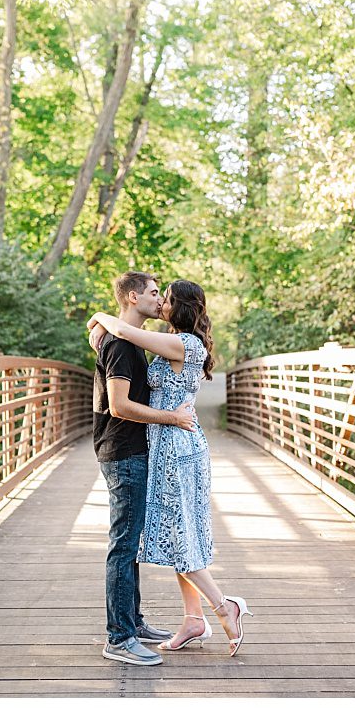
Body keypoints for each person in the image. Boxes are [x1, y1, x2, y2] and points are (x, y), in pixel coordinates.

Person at [89, 279, 253, 657]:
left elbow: (122, 330)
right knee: (176, 535)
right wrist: (101, 328)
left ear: (179, 307)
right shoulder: (160, 342)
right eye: (155, 294)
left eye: (165, 298)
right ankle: (192, 618)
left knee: (182, 536)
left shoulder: (185, 344)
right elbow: (119, 345)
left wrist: (99, 315)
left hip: (178, 446)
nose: (160, 302)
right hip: (159, 445)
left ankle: (223, 606)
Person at [93, 271, 191, 666]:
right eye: (153, 293)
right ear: (133, 298)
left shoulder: (130, 342)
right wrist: (171, 417)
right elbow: (118, 406)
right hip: (122, 450)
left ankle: (132, 622)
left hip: (133, 449)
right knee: (123, 545)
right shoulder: (119, 345)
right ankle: (118, 638)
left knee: (130, 542)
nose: (159, 300)